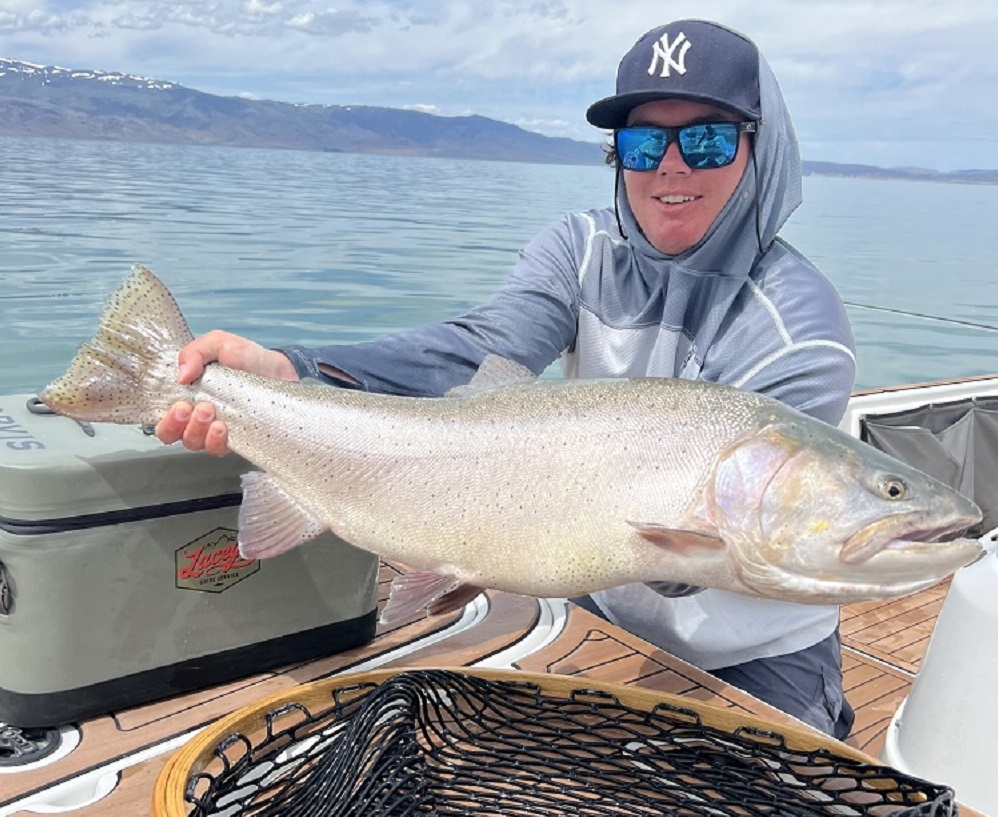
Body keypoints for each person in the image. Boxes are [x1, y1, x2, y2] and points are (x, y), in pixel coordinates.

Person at [155, 19, 857, 738]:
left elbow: (728, 550)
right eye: (642, 143)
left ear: (759, 150)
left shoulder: (797, 328)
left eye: (705, 139)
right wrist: (289, 370)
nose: (669, 167)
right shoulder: (579, 249)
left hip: (752, 647)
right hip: (597, 605)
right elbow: (480, 351)